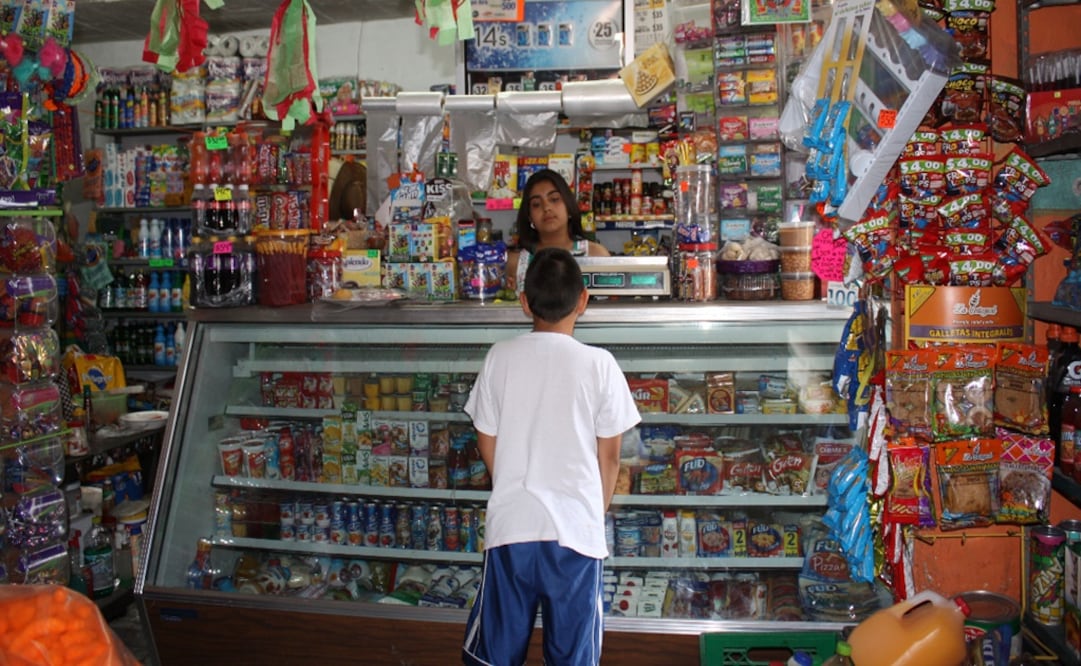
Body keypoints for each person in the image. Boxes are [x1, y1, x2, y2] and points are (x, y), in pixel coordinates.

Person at [462, 247, 641, 666]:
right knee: (573, 656)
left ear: (524, 303)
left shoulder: (499, 357)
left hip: (512, 529)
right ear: (583, 300)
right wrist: (590, 513)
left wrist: (512, 479)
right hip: (575, 536)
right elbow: (610, 457)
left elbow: (485, 438)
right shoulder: (601, 364)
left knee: (497, 654)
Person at [505, 169, 610, 293]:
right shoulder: (515, 262)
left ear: (568, 206)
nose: (546, 208)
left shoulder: (595, 255)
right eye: (536, 204)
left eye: (554, 199)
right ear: (529, 216)